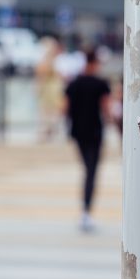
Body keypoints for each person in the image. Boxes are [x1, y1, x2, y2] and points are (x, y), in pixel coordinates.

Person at [64, 48, 112, 232]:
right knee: (92, 171)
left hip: (78, 131)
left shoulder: (74, 82)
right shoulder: (101, 84)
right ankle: (86, 211)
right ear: (96, 62)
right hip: (95, 132)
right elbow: (106, 108)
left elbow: (65, 107)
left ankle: (85, 212)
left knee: (87, 169)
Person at [35, 37, 65, 141]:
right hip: (49, 90)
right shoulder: (47, 60)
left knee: (52, 112)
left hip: (53, 90)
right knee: (47, 111)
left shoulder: (54, 60)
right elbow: (41, 75)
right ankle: (46, 132)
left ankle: (50, 132)